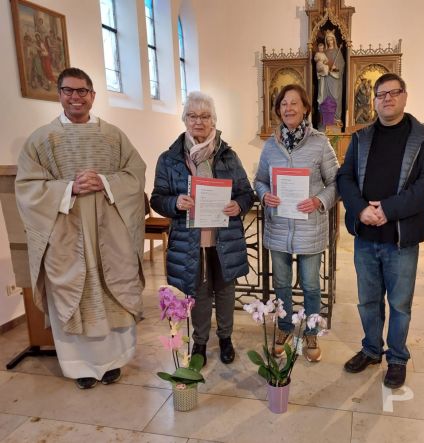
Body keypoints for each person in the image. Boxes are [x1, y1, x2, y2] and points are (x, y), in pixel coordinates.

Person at [15, 67, 146, 390]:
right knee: (74, 292)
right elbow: (27, 188)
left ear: (92, 96)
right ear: (59, 94)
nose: (76, 97)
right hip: (65, 234)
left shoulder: (113, 136)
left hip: (109, 234)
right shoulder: (42, 139)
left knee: (110, 289)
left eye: (82, 91)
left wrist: (104, 181)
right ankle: (79, 367)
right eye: (68, 91)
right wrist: (67, 189)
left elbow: (135, 174)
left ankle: (114, 362)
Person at [337, 72, 424, 388]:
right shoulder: (361, 138)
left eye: (393, 92)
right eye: (381, 94)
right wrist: (361, 209)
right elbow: (345, 178)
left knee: (399, 304)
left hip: (401, 239)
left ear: (405, 96)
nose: (387, 99)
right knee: (367, 301)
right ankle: (371, 350)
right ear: (374, 101)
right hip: (366, 237)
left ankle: (397, 358)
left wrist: (386, 210)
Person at [150, 91, 254, 367]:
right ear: (184, 119)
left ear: (213, 121)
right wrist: (175, 202)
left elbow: (246, 192)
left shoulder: (228, 156)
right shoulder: (169, 159)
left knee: (225, 290)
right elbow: (157, 198)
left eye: (205, 116)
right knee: (198, 291)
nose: (198, 122)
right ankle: (199, 341)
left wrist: (238, 205)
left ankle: (226, 338)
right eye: (193, 116)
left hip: (224, 237)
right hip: (190, 239)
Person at [254, 84, 339, 362]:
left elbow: (336, 182)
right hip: (278, 227)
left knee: (312, 284)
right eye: (283, 104)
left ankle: (312, 329)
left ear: (305, 108)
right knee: (281, 283)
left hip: (309, 226)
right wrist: (265, 194)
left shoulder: (319, 142)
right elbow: (260, 179)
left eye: (294, 103)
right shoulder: (271, 144)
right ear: (278, 110)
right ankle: (285, 326)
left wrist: (318, 201)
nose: (288, 108)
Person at [317, 30, 345, 126]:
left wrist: (335, 68)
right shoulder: (323, 52)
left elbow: (342, 65)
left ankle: (336, 120)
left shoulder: (338, 51)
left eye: (331, 40)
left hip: (335, 79)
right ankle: (324, 120)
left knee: (335, 97)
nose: (329, 42)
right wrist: (324, 67)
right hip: (325, 78)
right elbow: (319, 64)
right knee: (324, 97)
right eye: (328, 40)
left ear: (334, 40)